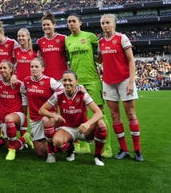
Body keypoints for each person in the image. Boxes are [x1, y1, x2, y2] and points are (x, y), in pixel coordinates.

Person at [65, 13, 112, 157]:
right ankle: (84, 145)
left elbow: (100, 58)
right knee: (80, 115)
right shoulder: (67, 40)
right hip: (76, 82)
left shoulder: (91, 37)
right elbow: (68, 59)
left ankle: (106, 147)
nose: (71, 24)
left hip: (92, 80)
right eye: (69, 22)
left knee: (99, 113)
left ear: (80, 23)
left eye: (74, 21)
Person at [99, 13, 144, 162]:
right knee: (114, 116)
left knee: (131, 114)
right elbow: (100, 59)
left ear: (114, 24)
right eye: (103, 23)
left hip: (125, 80)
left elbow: (131, 60)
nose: (105, 25)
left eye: (107, 23)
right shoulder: (101, 42)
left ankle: (137, 150)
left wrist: (131, 81)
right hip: (108, 81)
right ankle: (123, 149)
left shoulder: (122, 38)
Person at [39, 70, 108, 166]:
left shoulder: (83, 93)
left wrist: (88, 123)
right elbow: (42, 110)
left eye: (70, 80)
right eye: (65, 80)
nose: (67, 83)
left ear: (76, 81)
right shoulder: (58, 94)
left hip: (82, 128)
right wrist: (54, 115)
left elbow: (99, 113)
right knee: (50, 127)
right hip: (67, 129)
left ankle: (97, 156)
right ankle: (67, 149)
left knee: (100, 124)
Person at [22, 56, 63, 162]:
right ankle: (57, 143)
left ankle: (52, 152)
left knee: (46, 120)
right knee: (40, 152)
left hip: (49, 116)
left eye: (36, 66)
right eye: (32, 67)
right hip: (35, 118)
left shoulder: (50, 81)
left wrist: (53, 102)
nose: (34, 69)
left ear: (43, 68)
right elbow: (23, 93)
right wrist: (24, 108)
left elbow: (62, 91)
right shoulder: (26, 81)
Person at [0, 59, 28, 160]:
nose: (2, 70)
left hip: (18, 115)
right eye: (0, 68)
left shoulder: (18, 84)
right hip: (5, 118)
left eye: (4, 68)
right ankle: (24, 139)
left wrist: (25, 115)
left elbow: (25, 98)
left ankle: (12, 150)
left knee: (9, 119)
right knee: (9, 144)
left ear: (11, 70)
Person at [13, 27, 38, 142]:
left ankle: (37, 135)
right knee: (23, 111)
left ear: (28, 37)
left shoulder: (35, 50)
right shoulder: (16, 51)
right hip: (20, 86)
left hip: (33, 85)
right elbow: (13, 65)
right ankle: (25, 136)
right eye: (19, 36)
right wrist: (14, 74)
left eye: (23, 36)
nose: (20, 38)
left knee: (35, 111)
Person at [37, 12, 68, 80]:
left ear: (54, 25)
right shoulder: (40, 41)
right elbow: (39, 59)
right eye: (44, 25)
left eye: (48, 24)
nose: (46, 27)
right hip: (46, 78)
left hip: (62, 77)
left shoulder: (63, 38)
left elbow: (68, 56)